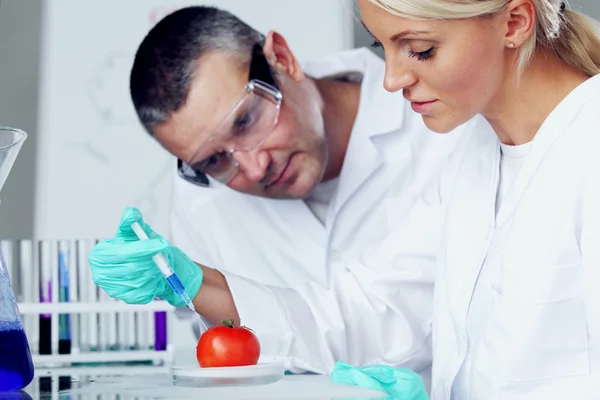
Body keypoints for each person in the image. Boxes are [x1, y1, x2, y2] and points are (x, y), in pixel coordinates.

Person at [87, 5, 475, 380]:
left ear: (283, 59)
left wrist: (206, 285)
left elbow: (386, 318)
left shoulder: (442, 121)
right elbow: (226, 362)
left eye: (245, 121)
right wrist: (187, 286)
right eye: (215, 160)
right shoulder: (201, 193)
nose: (254, 168)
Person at [358, 0, 600, 398]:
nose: (392, 79)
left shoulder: (590, 151)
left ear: (515, 23)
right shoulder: (473, 150)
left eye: (420, 48)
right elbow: (387, 304)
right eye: (379, 44)